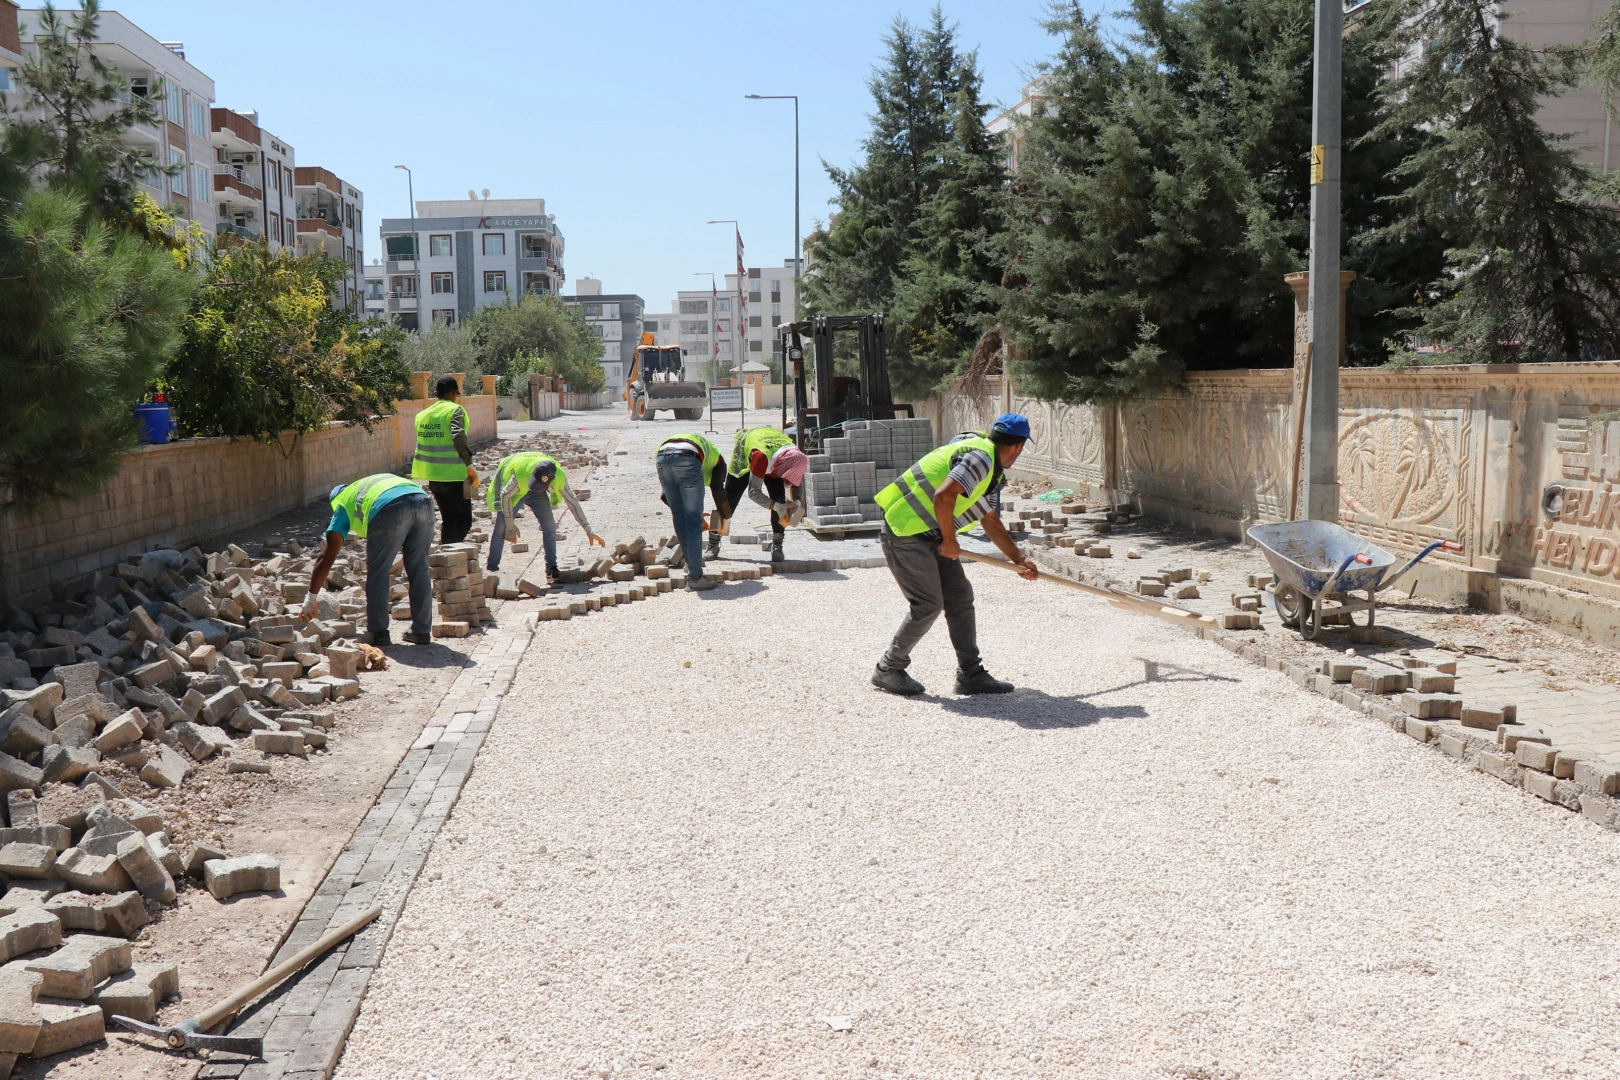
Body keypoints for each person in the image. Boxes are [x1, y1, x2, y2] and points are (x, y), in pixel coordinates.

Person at [870, 413, 1039, 696]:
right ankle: (888, 669)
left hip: (928, 533)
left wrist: (1019, 560)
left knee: (960, 597)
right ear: (1019, 446)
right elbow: (944, 496)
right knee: (928, 604)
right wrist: (950, 541)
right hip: (906, 531)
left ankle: (971, 674)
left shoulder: (989, 465)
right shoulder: (981, 458)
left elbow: (990, 520)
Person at [306, 474, 435, 647]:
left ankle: (379, 633)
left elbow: (326, 557)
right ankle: (422, 631)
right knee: (420, 568)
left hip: (391, 507)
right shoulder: (365, 489)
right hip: (423, 502)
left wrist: (310, 598)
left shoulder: (343, 502)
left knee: (378, 572)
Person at [486, 450, 604, 579]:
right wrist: (510, 524)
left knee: (549, 526)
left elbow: (572, 501)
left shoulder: (559, 478)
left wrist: (588, 529)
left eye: (541, 486)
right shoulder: (519, 475)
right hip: (519, 487)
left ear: (551, 480)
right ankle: (492, 571)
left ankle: (551, 568)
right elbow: (506, 495)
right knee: (501, 528)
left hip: (536, 493)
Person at [716, 426, 808, 564]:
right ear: (782, 469)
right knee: (728, 499)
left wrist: (797, 503)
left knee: (779, 497)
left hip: (775, 456)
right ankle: (713, 541)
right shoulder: (760, 458)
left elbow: (797, 483)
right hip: (753, 450)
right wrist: (778, 507)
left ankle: (777, 545)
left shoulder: (796, 457)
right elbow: (753, 493)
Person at [655, 432, 731, 591]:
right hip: (688, 458)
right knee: (693, 522)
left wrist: (691, 512)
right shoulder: (719, 463)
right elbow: (718, 489)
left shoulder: (706, 451)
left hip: (662, 455)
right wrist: (726, 518)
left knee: (680, 519)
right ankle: (695, 577)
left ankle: (691, 564)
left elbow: (664, 496)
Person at [412, 376, 476, 544]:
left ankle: (446, 558)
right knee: (463, 522)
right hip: (453, 476)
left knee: (449, 520)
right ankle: (450, 553)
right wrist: (469, 463)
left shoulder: (422, 415)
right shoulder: (455, 410)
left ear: (435, 394)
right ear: (454, 392)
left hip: (433, 477)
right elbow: (457, 436)